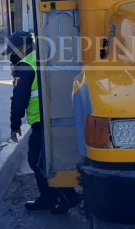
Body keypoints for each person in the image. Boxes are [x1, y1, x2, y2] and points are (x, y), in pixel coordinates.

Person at [5, 31, 81, 214]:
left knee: (39, 162)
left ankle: (67, 196)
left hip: (42, 121)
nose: (11, 56)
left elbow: (19, 100)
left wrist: (14, 125)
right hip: (56, 116)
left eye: (13, 51)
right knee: (45, 160)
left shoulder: (25, 66)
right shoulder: (43, 57)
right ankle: (49, 198)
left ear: (22, 47)